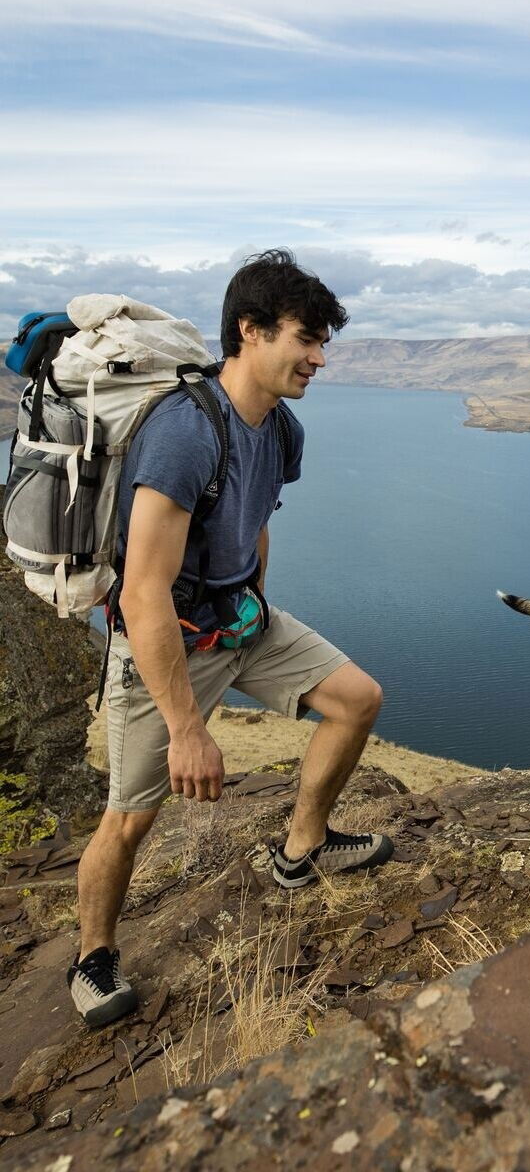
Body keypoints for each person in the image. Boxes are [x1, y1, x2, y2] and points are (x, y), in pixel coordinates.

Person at [68, 250, 392, 1027]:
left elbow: (257, 525)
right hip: (168, 638)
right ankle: (91, 958)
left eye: (323, 343)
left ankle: (301, 849)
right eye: (306, 339)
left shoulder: (282, 428)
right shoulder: (185, 432)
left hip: (240, 617)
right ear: (250, 331)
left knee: (356, 699)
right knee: (131, 814)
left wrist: (256, 607)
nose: (319, 358)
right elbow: (142, 589)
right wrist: (187, 728)